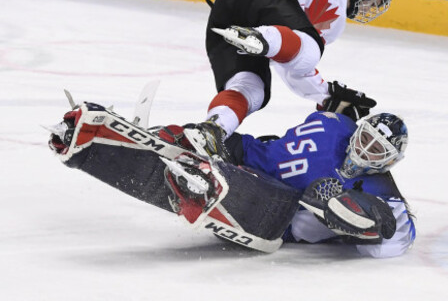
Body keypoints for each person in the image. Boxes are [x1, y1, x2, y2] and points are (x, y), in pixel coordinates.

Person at [47, 97, 415, 258]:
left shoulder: (381, 187)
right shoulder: (335, 122)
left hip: (280, 208)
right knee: (197, 138)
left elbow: (394, 236)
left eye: (379, 151)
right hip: (251, 154)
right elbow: (284, 145)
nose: (367, 150)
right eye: (366, 139)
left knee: (300, 212)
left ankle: (218, 190)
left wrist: (352, 213)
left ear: (391, 161)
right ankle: (106, 143)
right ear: (358, 129)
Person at [201, 0, 396, 147]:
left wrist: (325, 95)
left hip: (225, 18)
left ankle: (212, 130)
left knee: (252, 89)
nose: (368, 7)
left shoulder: (336, 23)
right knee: (311, 48)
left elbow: (294, 63)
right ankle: (261, 37)